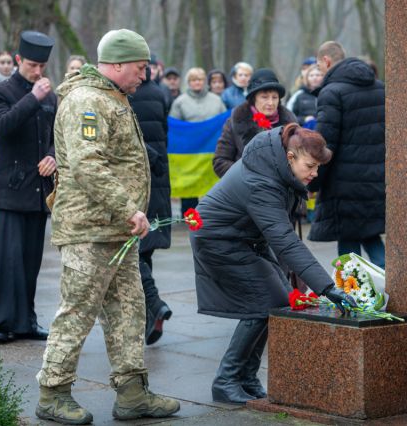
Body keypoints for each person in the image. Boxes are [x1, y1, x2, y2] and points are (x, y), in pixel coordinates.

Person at [35, 29, 179, 424]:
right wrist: (128, 208)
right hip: (90, 229)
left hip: (115, 230)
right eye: (139, 67)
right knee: (77, 312)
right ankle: (53, 392)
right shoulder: (87, 101)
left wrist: (127, 214)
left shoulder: (112, 97)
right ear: (116, 64)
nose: (144, 75)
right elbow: (87, 164)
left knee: (129, 311)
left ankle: (132, 394)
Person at [190, 122, 357, 404]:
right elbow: (284, 239)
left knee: (276, 300)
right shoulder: (262, 182)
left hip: (242, 238)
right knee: (264, 302)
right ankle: (226, 380)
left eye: (318, 168)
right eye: (310, 166)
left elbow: (280, 234)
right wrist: (327, 288)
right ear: (290, 157)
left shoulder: (275, 165)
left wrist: (298, 276)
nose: (315, 174)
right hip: (218, 240)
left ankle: (247, 377)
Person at [0, 31, 57, 344]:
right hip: (11, 189)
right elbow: (3, 126)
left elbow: (57, 137)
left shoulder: (51, 96)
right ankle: (0, 323)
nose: (37, 71)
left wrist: (53, 156)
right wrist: (33, 98)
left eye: (42, 65)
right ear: (17, 61)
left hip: (39, 191)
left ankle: (26, 321)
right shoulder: (1, 91)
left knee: (30, 261)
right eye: (31, 64)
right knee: (6, 261)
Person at [309, 41, 386, 268]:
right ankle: (391, 287)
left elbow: (324, 144)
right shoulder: (380, 88)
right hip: (375, 180)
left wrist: (312, 181)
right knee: (370, 237)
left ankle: (353, 297)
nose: (320, 71)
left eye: (319, 65)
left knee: (349, 250)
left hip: (343, 185)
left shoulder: (331, 92)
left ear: (326, 61)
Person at [129, 65, 173, 346]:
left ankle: (154, 304)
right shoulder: (160, 93)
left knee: (131, 253)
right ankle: (148, 319)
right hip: (157, 178)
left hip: (136, 179)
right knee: (144, 253)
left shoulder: (124, 95)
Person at [213, 68, 296, 177]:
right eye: (264, 97)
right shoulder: (236, 121)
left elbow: (298, 158)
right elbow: (220, 161)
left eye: (274, 97)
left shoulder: (290, 124)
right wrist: (247, 175)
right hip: (245, 188)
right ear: (254, 98)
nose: (270, 102)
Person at [170, 67, 226, 213]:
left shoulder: (217, 100)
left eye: (200, 79)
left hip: (212, 150)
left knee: (213, 184)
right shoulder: (180, 102)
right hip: (190, 152)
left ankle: (212, 217)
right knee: (190, 184)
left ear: (205, 82)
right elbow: (175, 126)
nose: (197, 83)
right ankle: (189, 217)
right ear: (188, 82)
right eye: (194, 80)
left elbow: (224, 122)